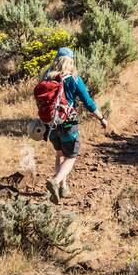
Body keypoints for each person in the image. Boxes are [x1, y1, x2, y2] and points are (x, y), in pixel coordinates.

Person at [41, 48, 108, 203]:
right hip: (67, 123)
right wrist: (101, 118)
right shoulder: (73, 79)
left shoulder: (47, 77)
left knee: (59, 155)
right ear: (70, 61)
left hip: (50, 124)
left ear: (57, 60)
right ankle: (56, 181)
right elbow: (88, 103)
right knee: (71, 156)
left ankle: (63, 188)